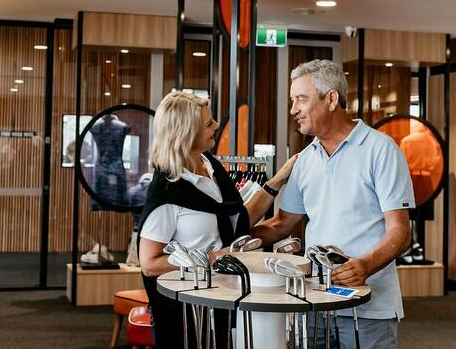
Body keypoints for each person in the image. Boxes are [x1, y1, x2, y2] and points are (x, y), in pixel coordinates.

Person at [253, 59, 413, 349]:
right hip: (315, 301)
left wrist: (365, 265)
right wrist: (230, 240)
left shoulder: (382, 150)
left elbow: (400, 230)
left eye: (301, 99)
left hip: (369, 306)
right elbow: (281, 225)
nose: (293, 110)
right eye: (292, 101)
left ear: (331, 99)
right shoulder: (304, 160)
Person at [137, 90, 298, 348]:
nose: (216, 126)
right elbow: (150, 264)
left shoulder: (211, 166)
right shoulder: (167, 189)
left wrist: (278, 180)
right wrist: (213, 257)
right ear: (186, 133)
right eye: (208, 123)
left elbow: (237, 217)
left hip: (223, 299)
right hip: (187, 311)